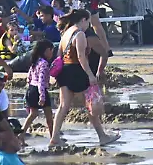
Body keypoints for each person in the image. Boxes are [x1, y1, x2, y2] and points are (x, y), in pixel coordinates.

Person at [49, 9, 119, 146]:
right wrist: (90, 75)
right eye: (88, 21)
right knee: (90, 105)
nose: (88, 25)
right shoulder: (79, 34)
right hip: (77, 71)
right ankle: (102, 136)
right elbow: (81, 57)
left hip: (65, 71)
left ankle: (54, 137)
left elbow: (59, 54)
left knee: (63, 106)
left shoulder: (65, 33)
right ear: (83, 20)